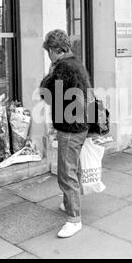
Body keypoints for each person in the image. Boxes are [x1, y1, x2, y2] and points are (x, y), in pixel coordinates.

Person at [40, 29, 92, 238]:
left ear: (54, 50)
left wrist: (50, 74)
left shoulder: (62, 67)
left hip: (70, 127)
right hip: (79, 124)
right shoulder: (76, 63)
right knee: (74, 168)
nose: (48, 56)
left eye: (49, 52)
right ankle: (69, 203)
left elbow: (46, 92)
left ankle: (74, 218)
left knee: (66, 172)